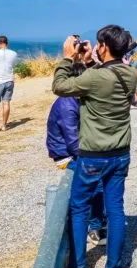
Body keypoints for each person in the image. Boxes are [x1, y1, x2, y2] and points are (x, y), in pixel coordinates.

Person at [53, 25, 137, 268]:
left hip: (93, 155)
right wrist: (92, 61)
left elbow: (60, 86)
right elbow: (104, 80)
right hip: (120, 153)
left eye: (100, 44)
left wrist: (69, 57)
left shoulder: (95, 78)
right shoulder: (131, 73)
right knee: (115, 208)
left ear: (105, 47)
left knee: (80, 209)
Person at [46, 49, 107, 246]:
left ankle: (97, 220)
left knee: (103, 175)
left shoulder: (77, 100)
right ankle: (94, 228)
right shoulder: (68, 104)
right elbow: (73, 143)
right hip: (66, 155)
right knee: (96, 183)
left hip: (76, 149)